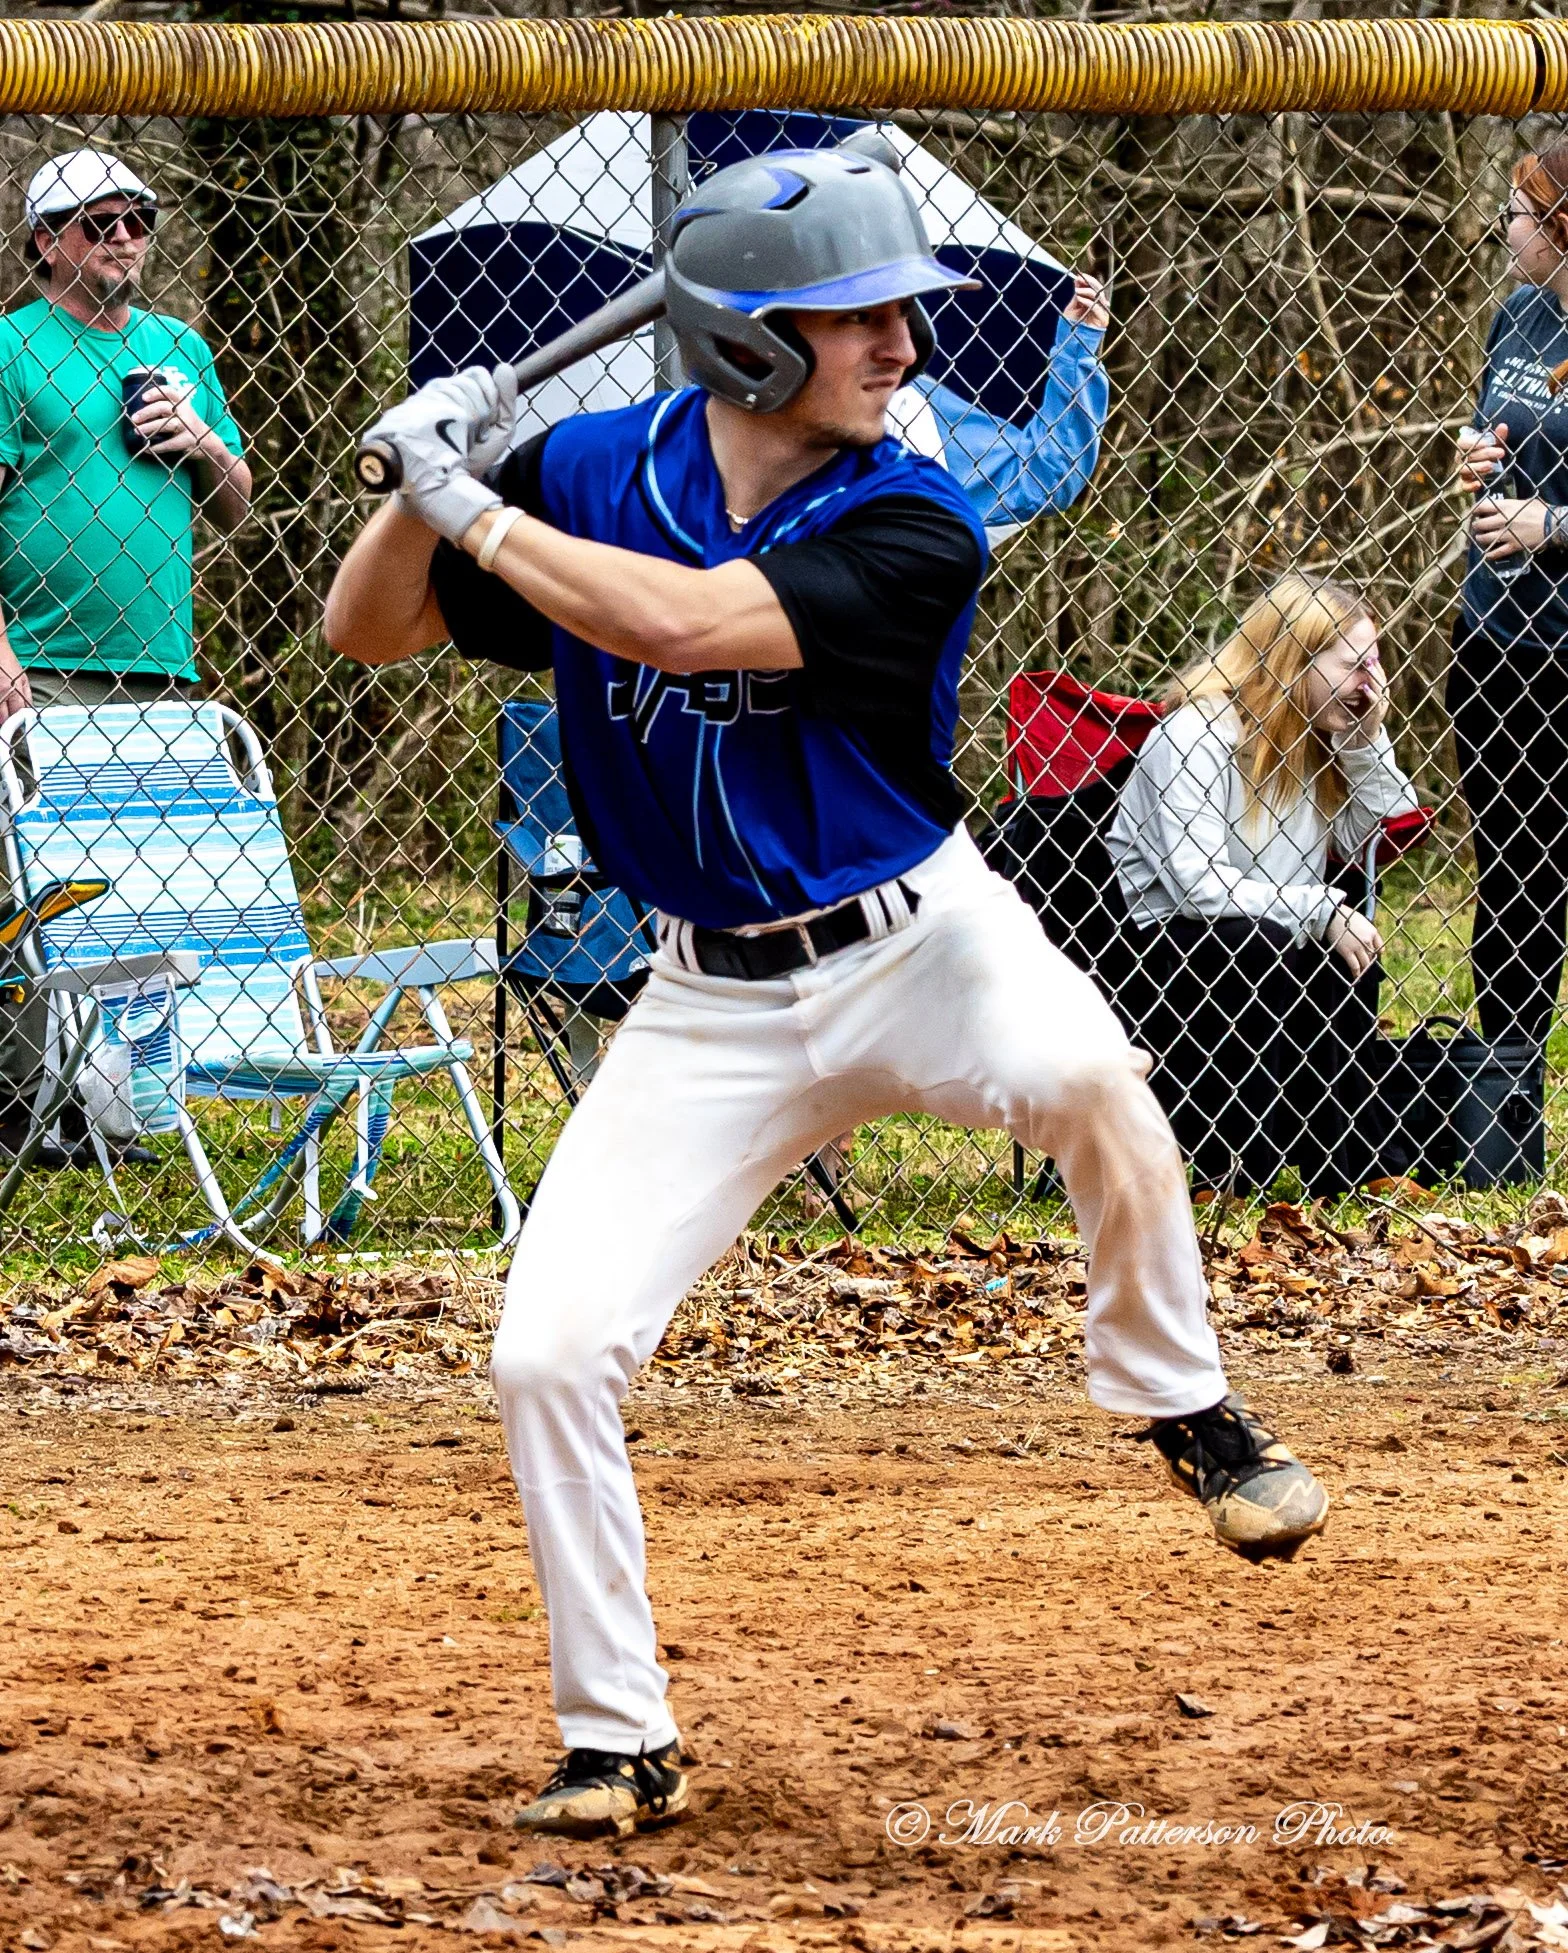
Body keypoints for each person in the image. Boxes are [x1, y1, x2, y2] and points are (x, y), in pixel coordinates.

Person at [325, 147, 1329, 1841]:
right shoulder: (589, 464)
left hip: (918, 940)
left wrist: (479, 504)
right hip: (702, 996)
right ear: (745, 348)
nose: (900, 350)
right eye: (854, 320)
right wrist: (423, 467)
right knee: (547, 1351)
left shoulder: (911, 516)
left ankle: (1179, 1394)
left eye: (895, 317)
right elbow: (371, 632)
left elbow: (690, 627)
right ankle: (619, 1734)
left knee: (1087, 1074)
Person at [0, 149, 251, 1156]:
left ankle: (118, 1110)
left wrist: (200, 440)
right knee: (30, 893)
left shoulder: (175, 346)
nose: (121, 236)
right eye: (95, 220)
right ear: (43, 243)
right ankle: (29, 1106)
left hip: (160, 668)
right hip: (42, 666)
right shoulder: (13, 348)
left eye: (137, 219)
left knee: (135, 893)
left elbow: (237, 508)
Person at [1107, 575, 1419, 1195]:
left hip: (1278, 927)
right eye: (1355, 667)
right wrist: (1321, 908)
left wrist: (1365, 743)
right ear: (1292, 662)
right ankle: (1234, 1164)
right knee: (1261, 942)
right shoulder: (1194, 735)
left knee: (1347, 949)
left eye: (1375, 666)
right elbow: (1197, 885)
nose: (1370, 687)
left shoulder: (1316, 739)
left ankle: (1347, 1164)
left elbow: (1365, 845)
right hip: (1168, 949)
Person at [1452, 141, 1568, 1053]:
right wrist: (1478, 460)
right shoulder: (1518, 318)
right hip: (1494, 634)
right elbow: (1502, 429)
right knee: (1512, 864)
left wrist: (1552, 526)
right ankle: (1510, 1075)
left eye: (1520, 214)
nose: (1505, 228)